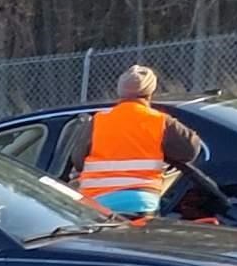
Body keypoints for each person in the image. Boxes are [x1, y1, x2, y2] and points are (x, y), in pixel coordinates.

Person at [65, 66, 208, 212]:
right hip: (142, 202)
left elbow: (78, 160)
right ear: (150, 93)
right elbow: (190, 151)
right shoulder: (160, 121)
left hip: (99, 203)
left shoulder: (98, 121)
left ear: (120, 93)